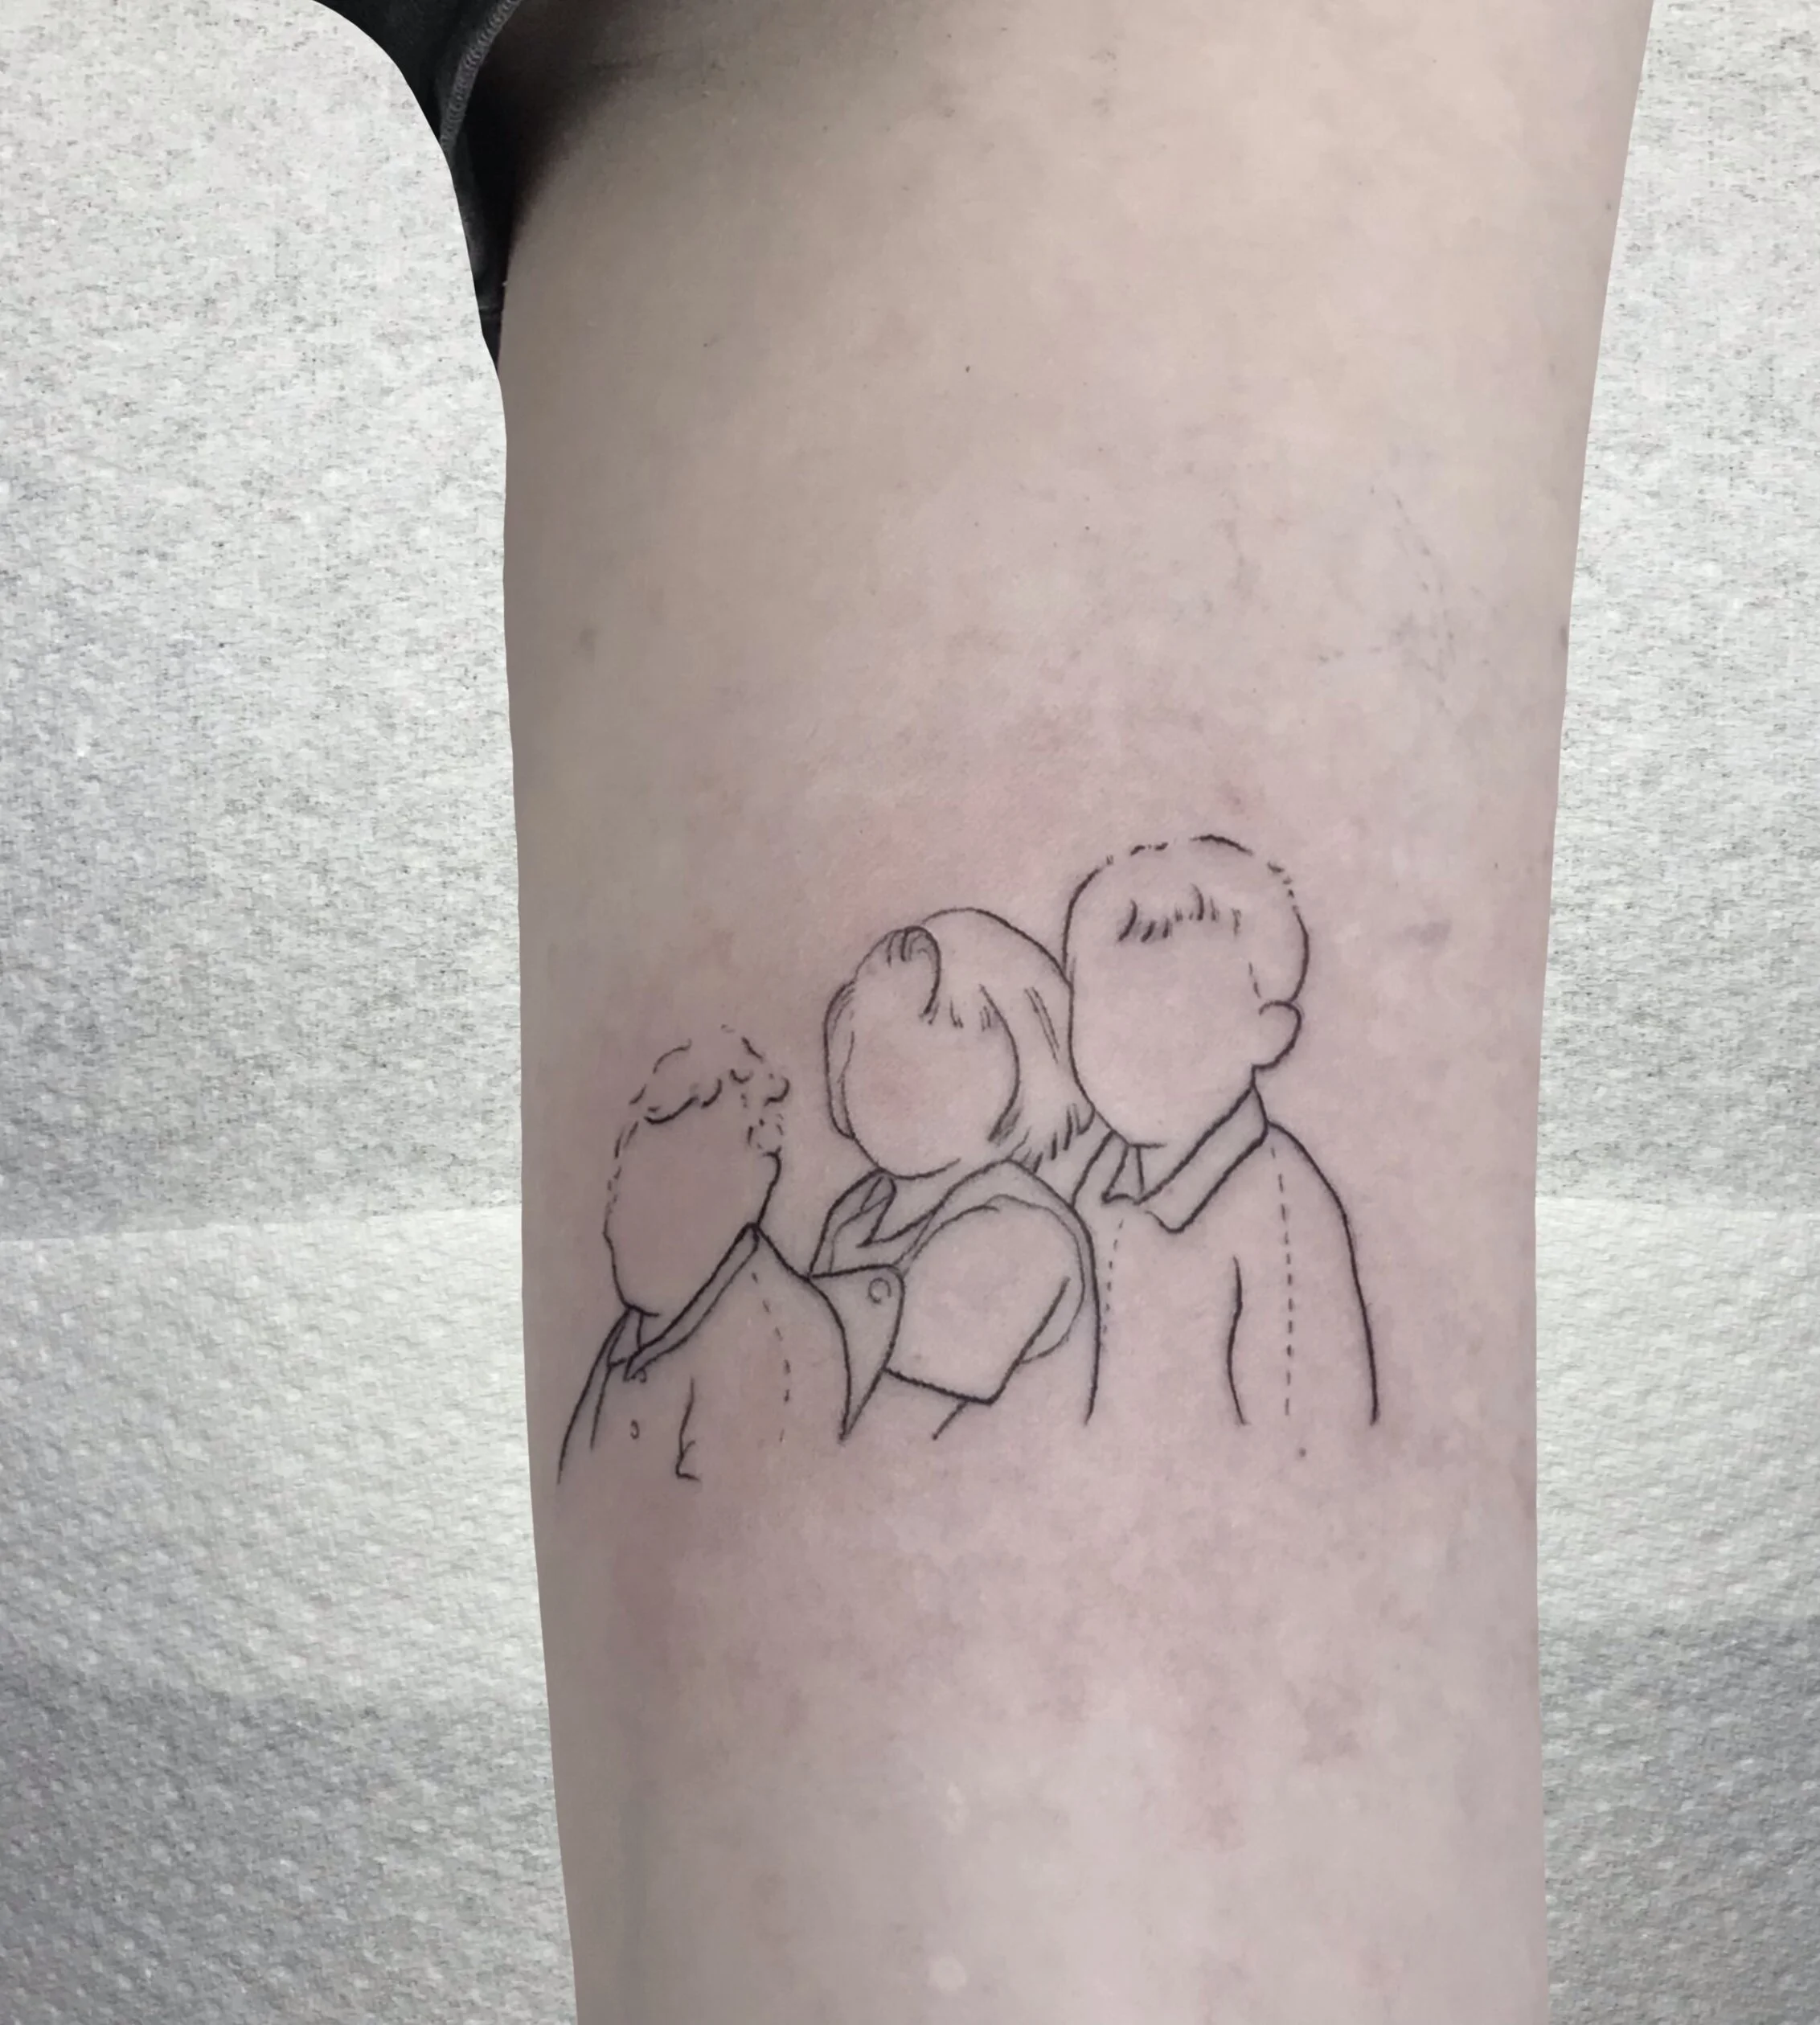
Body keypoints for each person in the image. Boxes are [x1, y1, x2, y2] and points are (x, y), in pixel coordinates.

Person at [321, 0, 1659, 2011]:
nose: (902, 995)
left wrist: (708, 1287)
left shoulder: (1083, 1230)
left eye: (979, 988)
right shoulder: (977, 1218)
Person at [1064, 837, 1378, 1445]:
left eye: (1174, 1018)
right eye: (1102, 1012)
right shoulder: (1097, 1174)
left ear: (1269, 1033)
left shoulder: (1283, 1209)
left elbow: (1314, 1435)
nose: (1127, 1051)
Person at [813, 909, 1099, 1437]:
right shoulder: (859, 1210)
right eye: (872, 1040)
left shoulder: (1024, 1231)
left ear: (1029, 1064)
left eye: (939, 1048)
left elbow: (892, 1409)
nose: (891, 1076)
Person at [555, 1031, 846, 1487]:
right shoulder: (635, 1331)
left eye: (682, 1197)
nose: (627, 1220)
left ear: (753, 1194)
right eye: (625, 1187)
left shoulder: (774, 1343)